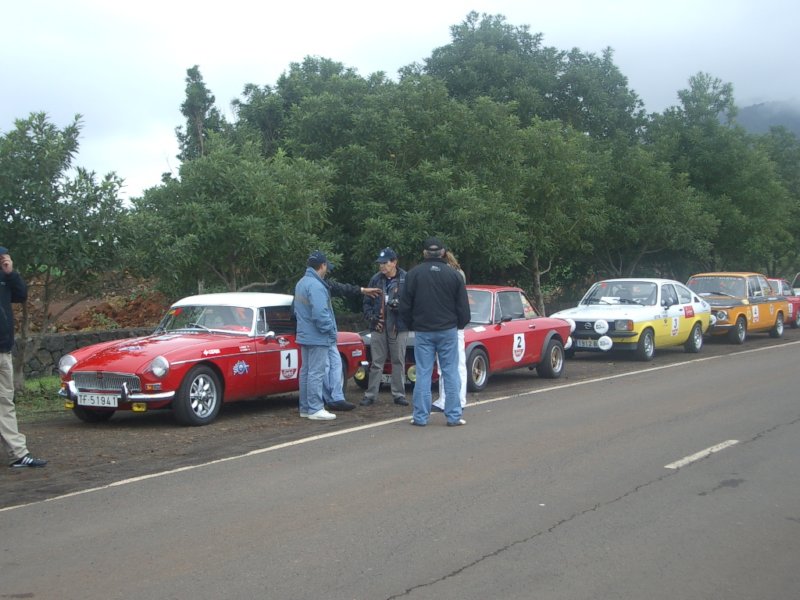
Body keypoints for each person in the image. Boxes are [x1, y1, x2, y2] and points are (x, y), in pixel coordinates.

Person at [399, 237, 470, 427]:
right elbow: (463, 308)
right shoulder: (454, 275)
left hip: (423, 331)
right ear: (443, 253)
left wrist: (410, 324)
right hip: (448, 330)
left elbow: (405, 306)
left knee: (423, 372)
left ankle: (420, 416)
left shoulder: (413, 275)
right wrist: (459, 325)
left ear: (424, 253)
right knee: (450, 372)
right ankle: (453, 416)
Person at [0, 246, 47, 468]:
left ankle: (18, 455)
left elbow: (21, 295)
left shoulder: (4, 277)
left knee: (5, 403)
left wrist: (11, 273)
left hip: (4, 351)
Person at [293, 250, 346, 421]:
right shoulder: (316, 286)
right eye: (326, 266)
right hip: (317, 336)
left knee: (306, 371)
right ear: (322, 266)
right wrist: (330, 329)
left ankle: (306, 407)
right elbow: (320, 313)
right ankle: (315, 408)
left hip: (304, 334)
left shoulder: (301, 283)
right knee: (316, 372)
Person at [361, 247, 410, 407]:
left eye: (385, 262)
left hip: (398, 325)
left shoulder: (406, 278)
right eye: (380, 263)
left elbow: (413, 302)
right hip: (379, 324)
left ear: (394, 262)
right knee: (376, 361)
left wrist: (400, 307)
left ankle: (399, 394)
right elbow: (366, 302)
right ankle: (370, 395)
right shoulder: (375, 279)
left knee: (398, 360)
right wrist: (370, 317)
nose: (381, 266)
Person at [432, 249, 467, 413]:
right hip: (452, 324)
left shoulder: (452, 274)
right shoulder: (457, 273)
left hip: (450, 324)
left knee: (452, 365)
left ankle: (454, 399)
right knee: (452, 364)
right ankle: (451, 398)